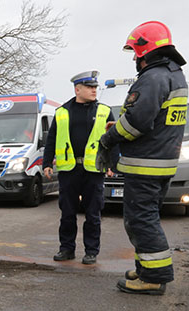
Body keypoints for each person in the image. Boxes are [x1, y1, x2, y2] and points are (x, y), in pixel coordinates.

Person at [97, 21, 188, 295]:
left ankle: (155, 276)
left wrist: (109, 139)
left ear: (143, 51)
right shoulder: (175, 76)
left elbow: (136, 122)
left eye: (135, 53)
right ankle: (146, 269)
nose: (135, 59)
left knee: (140, 220)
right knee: (146, 217)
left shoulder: (153, 78)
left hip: (145, 165)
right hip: (162, 162)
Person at [42, 70, 115, 265]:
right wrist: (47, 163)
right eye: (90, 87)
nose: (94, 90)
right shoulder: (62, 112)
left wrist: (111, 164)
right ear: (77, 89)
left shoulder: (104, 111)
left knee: (93, 213)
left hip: (93, 169)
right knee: (67, 212)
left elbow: (113, 140)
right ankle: (66, 249)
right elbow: (52, 139)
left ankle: (91, 251)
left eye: (95, 87)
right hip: (69, 169)